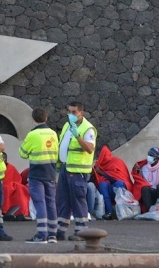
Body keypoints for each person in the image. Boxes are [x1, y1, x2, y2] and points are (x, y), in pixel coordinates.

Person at [56, 101, 96, 241]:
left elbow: (90, 149)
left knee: (78, 200)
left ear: (81, 113)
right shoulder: (67, 125)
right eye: (69, 112)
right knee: (62, 200)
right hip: (65, 168)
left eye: (74, 112)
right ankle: (60, 230)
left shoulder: (88, 129)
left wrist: (78, 136)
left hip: (78, 171)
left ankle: (82, 232)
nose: (71, 115)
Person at [19, 107, 59, 243]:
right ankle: (53, 234)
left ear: (33, 119)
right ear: (46, 118)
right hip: (51, 173)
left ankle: (42, 234)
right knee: (51, 202)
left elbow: (22, 153)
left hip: (36, 173)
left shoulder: (32, 135)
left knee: (40, 202)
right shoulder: (53, 134)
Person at [92, 146, 132, 220]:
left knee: (119, 183)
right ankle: (109, 212)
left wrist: (102, 173)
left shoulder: (117, 161)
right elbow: (100, 179)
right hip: (110, 188)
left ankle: (122, 211)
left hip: (122, 188)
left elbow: (119, 178)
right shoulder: (100, 165)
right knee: (102, 185)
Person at [1, 152, 30, 220]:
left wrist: (12, 185)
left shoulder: (11, 168)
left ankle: (19, 212)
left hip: (12, 187)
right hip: (0, 187)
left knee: (19, 188)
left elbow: (17, 180)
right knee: (7, 188)